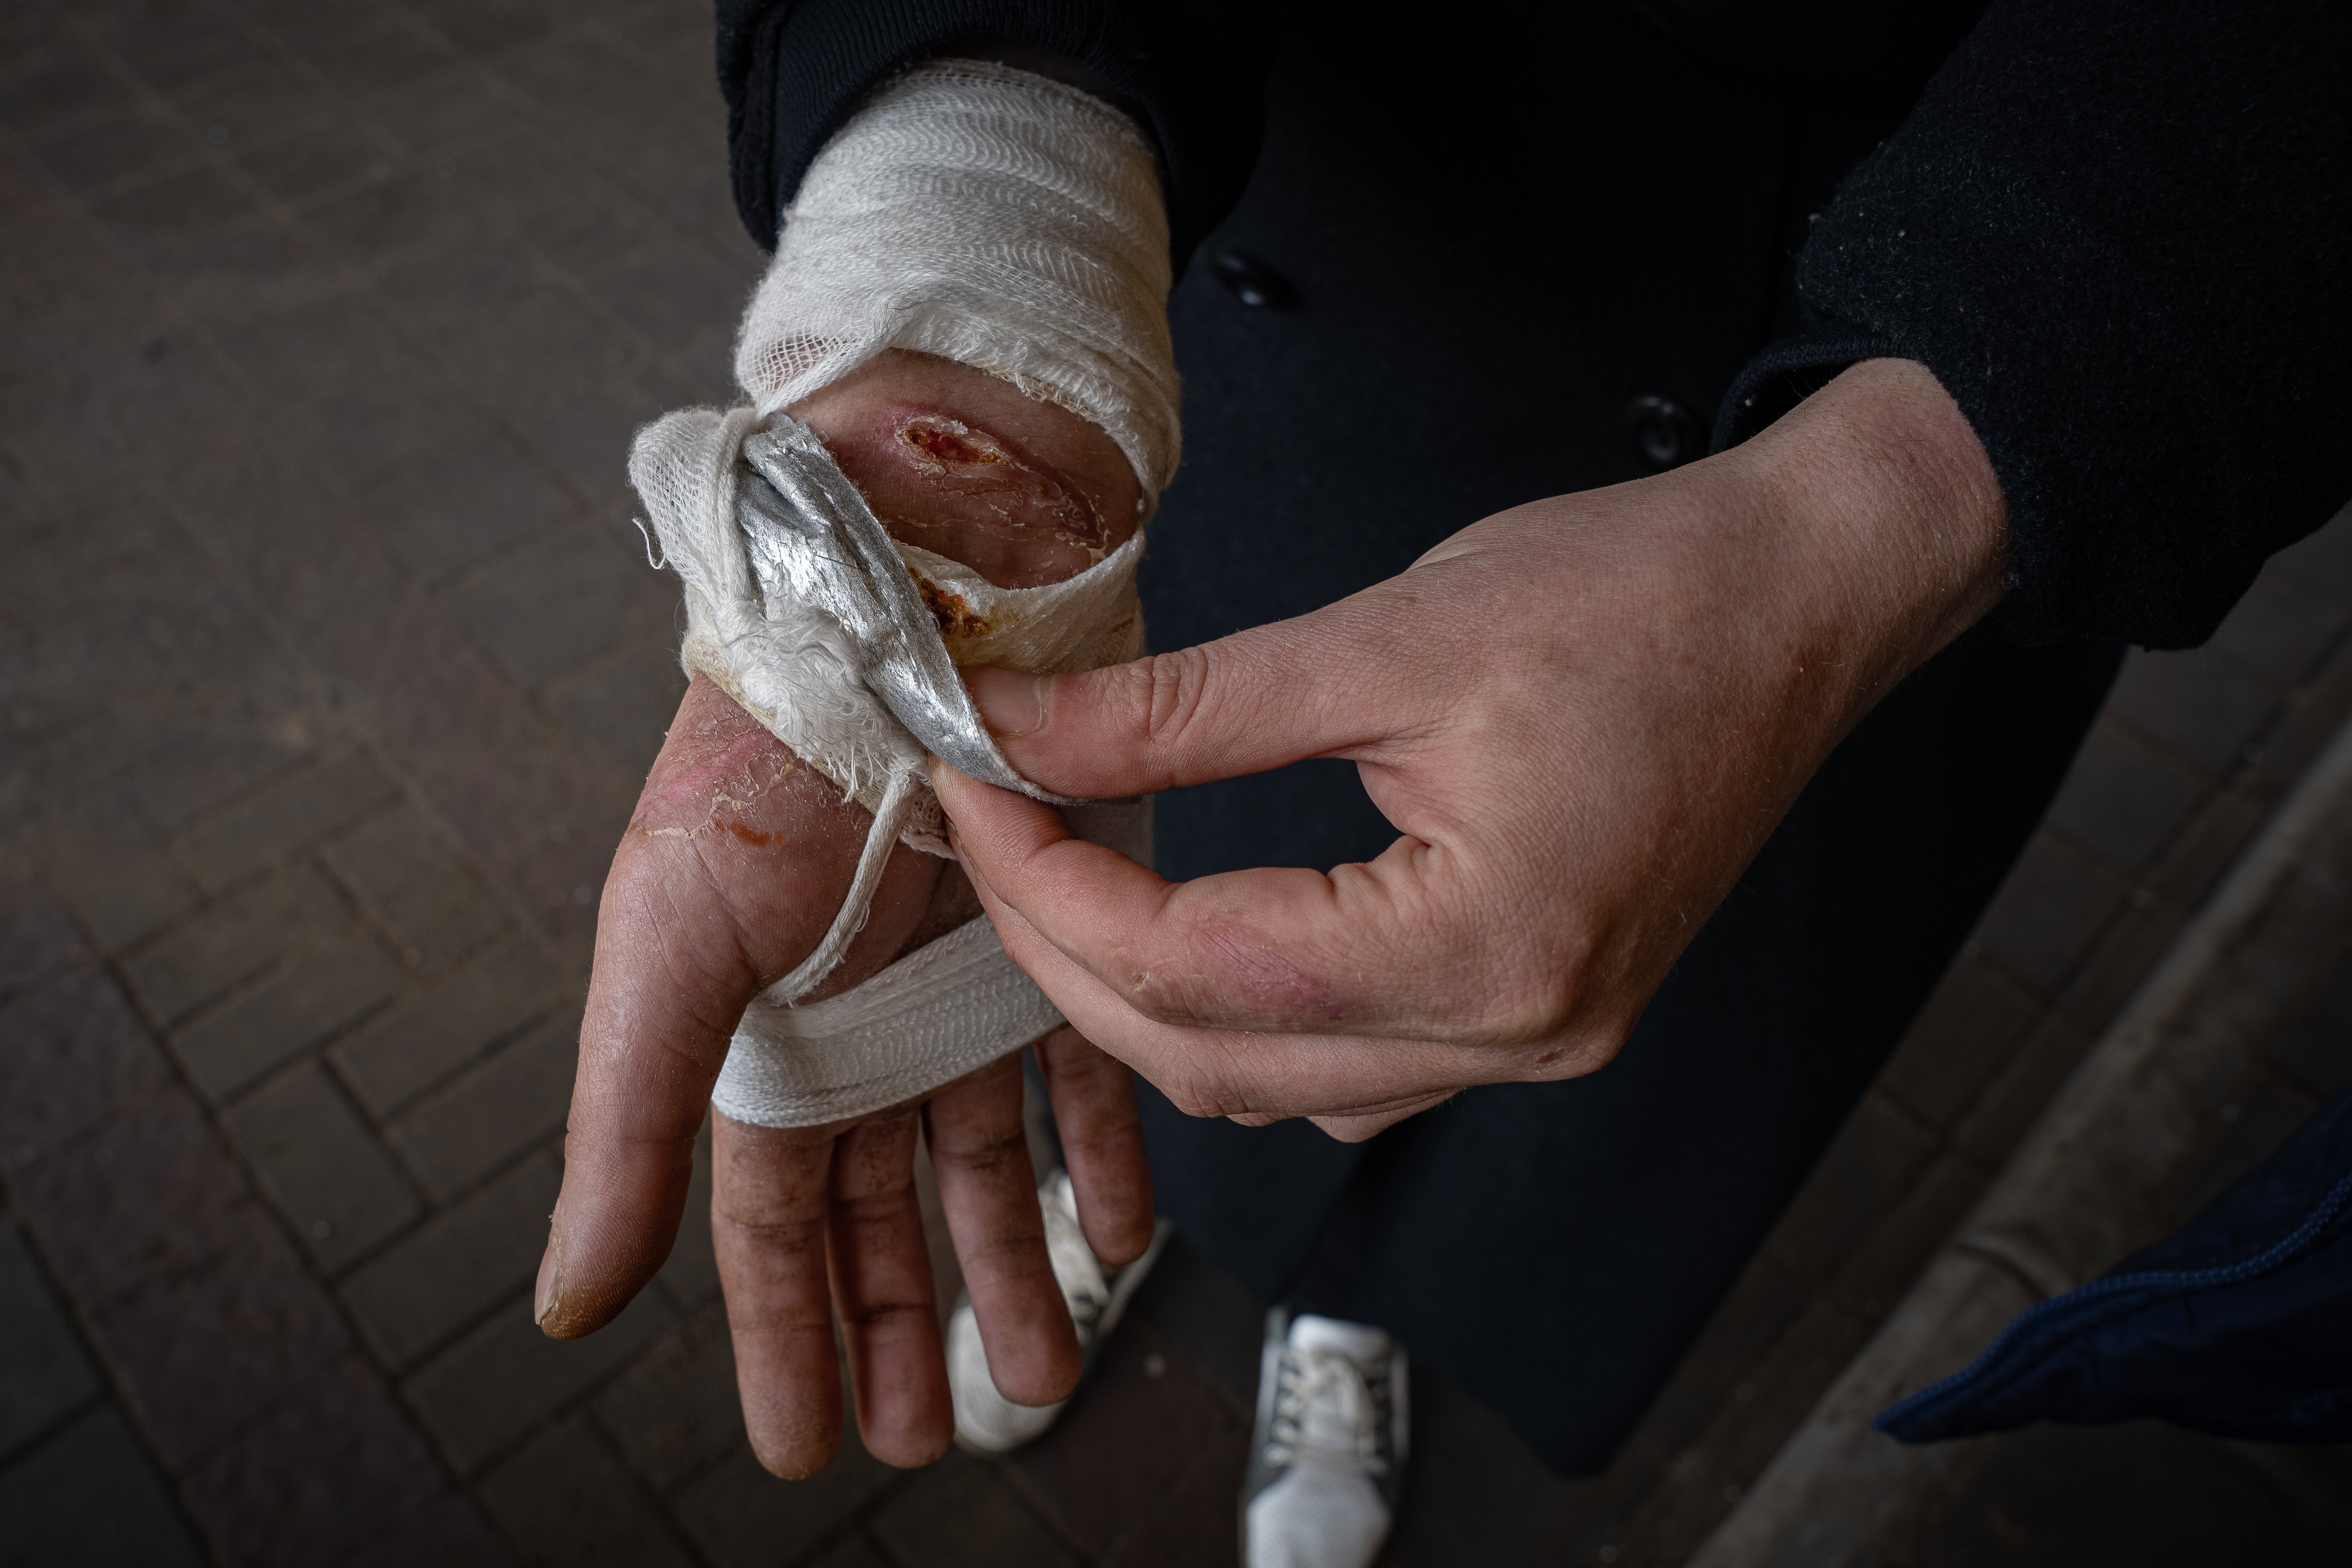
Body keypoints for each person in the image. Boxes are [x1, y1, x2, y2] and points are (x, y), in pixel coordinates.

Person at [535, 3, 2352, 1563]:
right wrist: (984, 248)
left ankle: (1350, 1321)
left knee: (1616, 1044)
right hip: (1342, 242)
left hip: (1907, 343)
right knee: (1191, 948)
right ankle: (1164, 1217)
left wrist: (1887, 499)